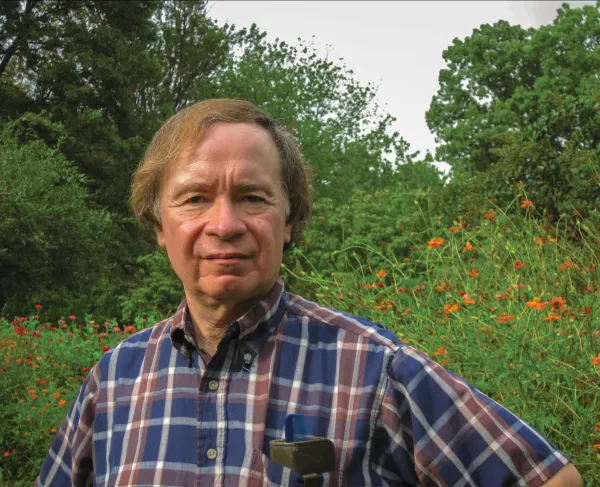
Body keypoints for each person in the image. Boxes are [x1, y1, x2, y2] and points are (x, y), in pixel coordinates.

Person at [37, 99, 582, 486]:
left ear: (290, 219)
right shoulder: (111, 383)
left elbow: (550, 479)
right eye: (195, 199)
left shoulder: (377, 370)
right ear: (158, 225)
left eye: (252, 197)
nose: (224, 225)